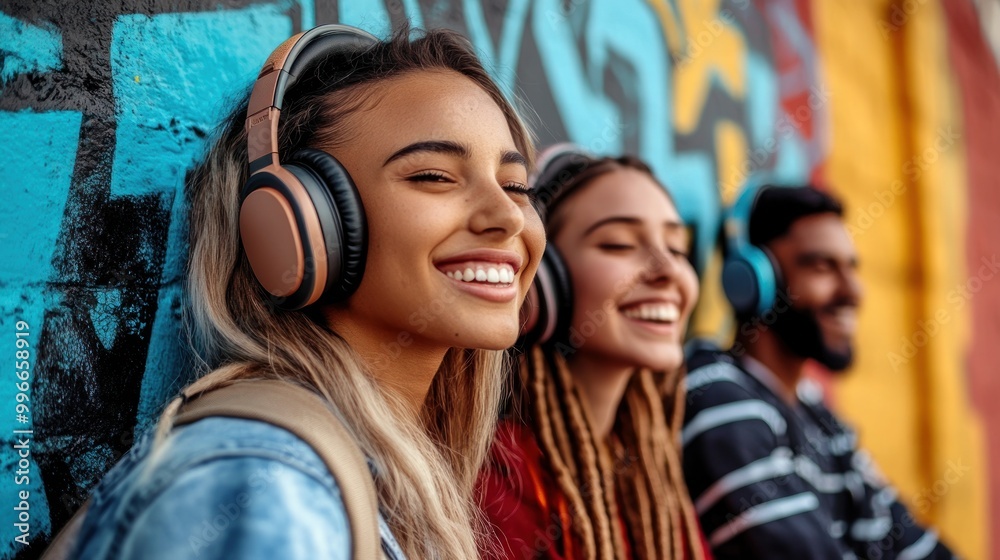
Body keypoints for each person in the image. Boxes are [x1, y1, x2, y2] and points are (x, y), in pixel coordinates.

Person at [69, 23, 544, 559]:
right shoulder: (268, 480)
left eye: (515, 186)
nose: (507, 215)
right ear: (300, 221)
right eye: (434, 176)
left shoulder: (344, 474)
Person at [682, 184, 956, 559]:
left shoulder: (816, 414)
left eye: (851, 268)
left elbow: (908, 542)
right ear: (753, 278)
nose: (852, 291)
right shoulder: (716, 393)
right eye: (822, 266)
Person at [477, 147, 710, 560]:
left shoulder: (649, 473)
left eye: (676, 248)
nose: (668, 270)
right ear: (542, 280)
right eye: (619, 244)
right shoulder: (498, 482)